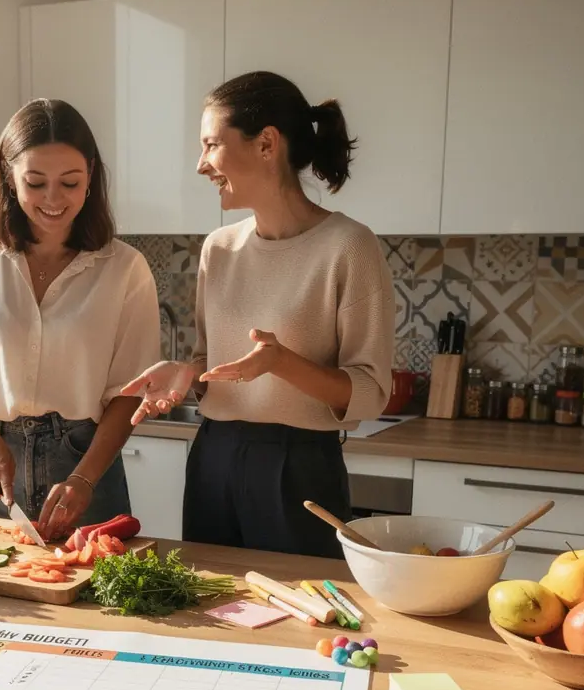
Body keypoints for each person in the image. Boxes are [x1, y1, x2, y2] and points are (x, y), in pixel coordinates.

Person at [122, 71, 393, 557]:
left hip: (300, 466)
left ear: (267, 143)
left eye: (211, 145)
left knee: (302, 601)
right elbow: (212, 363)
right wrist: (188, 374)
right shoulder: (219, 248)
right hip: (213, 456)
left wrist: (281, 363)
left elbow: (371, 393)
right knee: (208, 597)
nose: (200, 165)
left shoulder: (350, 247)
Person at [0, 99, 159, 540]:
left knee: (95, 583)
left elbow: (129, 394)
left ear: (91, 176)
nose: (53, 199)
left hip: (86, 466)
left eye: (70, 182)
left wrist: (84, 478)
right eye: (36, 182)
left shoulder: (125, 268)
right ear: (9, 177)